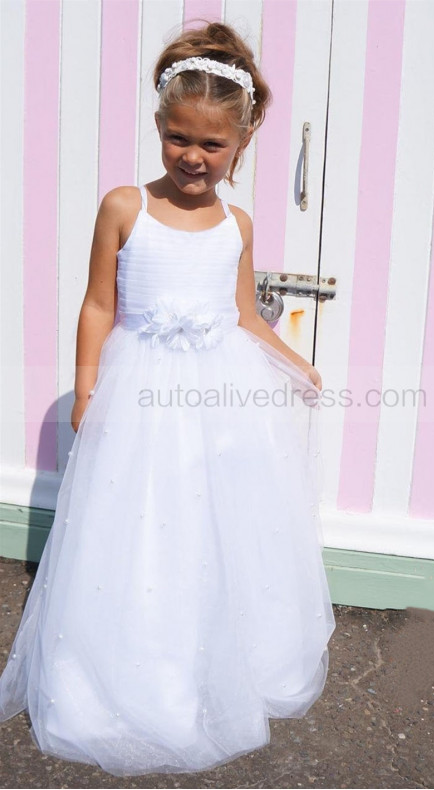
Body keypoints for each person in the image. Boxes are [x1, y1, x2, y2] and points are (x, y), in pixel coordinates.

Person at [0, 20, 336, 777]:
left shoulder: (237, 225)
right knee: (144, 524)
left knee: (217, 524)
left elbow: (245, 314)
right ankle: (129, 669)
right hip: (143, 392)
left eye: (212, 145)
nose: (193, 156)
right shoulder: (126, 207)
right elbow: (97, 306)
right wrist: (87, 389)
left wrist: (293, 362)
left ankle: (211, 660)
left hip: (220, 397)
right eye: (179, 138)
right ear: (160, 128)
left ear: (241, 145)